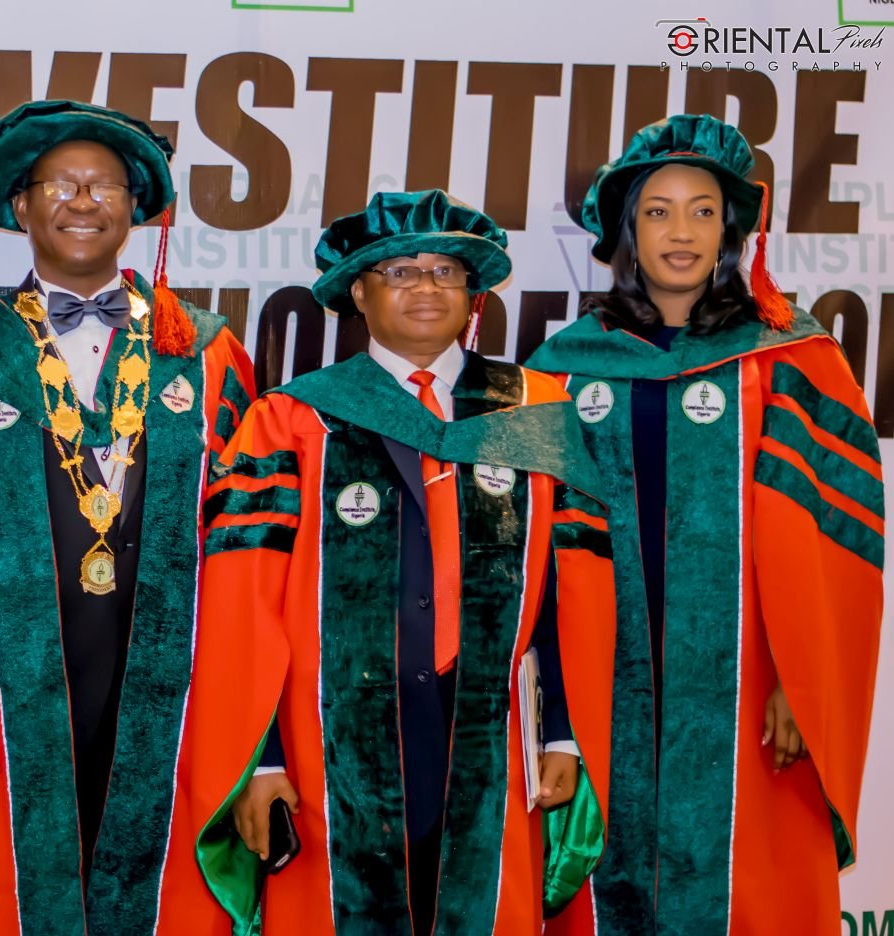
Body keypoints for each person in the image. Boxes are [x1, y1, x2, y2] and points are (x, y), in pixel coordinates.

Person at [166, 190, 616, 934]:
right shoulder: (293, 418)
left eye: (445, 270)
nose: (426, 287)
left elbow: (573, 592)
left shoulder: (534, 411)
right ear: (358, 292)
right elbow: (242, 608)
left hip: (493, 729)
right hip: (327, 739)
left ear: (473, 291)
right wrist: (263, 759)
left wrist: (562, 732)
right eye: (400, 271)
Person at [0, 99, 255, 934]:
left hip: (172, 688)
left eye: (105, 185)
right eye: (60, 184)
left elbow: (243, 552)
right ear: (21, 205)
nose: (83, 201)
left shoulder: (205, 353)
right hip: (3, 691)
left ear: (135, 206)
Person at [528, 114, 883, 935]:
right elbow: (532, 547)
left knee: (747, 877)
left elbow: (831, 538)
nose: (681, 232)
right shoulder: (563, 367)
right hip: (600, 672)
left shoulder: (788, 358)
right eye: (658, 212)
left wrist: (800, 678)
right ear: (628, 231)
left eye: (702, 211)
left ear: (730, 229)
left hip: (748, 680)